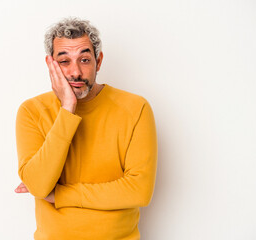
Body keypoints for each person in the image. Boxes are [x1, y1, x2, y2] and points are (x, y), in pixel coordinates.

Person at [14, 17, 157, 240]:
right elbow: (39, 187)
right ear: (51, 64)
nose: (76, 72)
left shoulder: (136, 108)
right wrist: (67, 108)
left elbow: (139, 191)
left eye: (84, 59)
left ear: (98, 62)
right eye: (64, 61)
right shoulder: (32, 111)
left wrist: (61, 195)